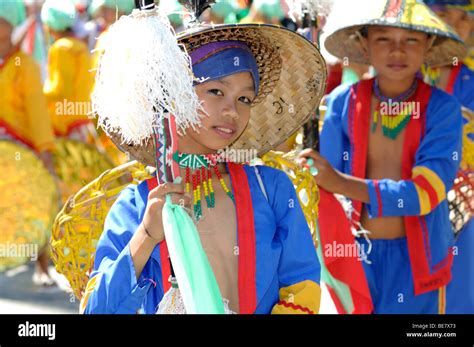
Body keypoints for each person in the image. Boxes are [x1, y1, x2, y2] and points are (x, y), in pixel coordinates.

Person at [80, 1, 326, 314]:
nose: (231, 111)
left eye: (244, 99)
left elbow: (302, 284)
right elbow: (96, 309)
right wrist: (145, 237)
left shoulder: (272, 189)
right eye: (215, 92)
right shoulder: (139, 204)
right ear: (174, 97)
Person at [301, 0, 465, 313]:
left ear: (428, 44)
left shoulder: (443, 110)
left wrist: (340, 182)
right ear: (364, 43)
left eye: (411, 40)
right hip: (353, 257)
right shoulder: (341, 103)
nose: (397, 51)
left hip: (418, 264)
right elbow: (324, 186)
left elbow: (426, 193)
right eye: (383, 39)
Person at [0, 0, 57, 286]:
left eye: (1, 22)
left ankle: (42, 266)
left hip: (21, 148)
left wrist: (45, 149)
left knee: (35, 206)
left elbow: (37, 112)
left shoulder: (26, 68)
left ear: (13, 26)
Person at [423, 0, 474, 314]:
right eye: (443, 16)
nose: (455, 27)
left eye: (464, 18)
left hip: (464, 217)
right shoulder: (396, 79)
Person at [41, 0, 94, 141]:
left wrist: (35, 95)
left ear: (50, 26)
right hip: (81, 119)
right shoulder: (80, 46)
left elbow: (60, 90)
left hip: (65, 125)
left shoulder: (61, 48)